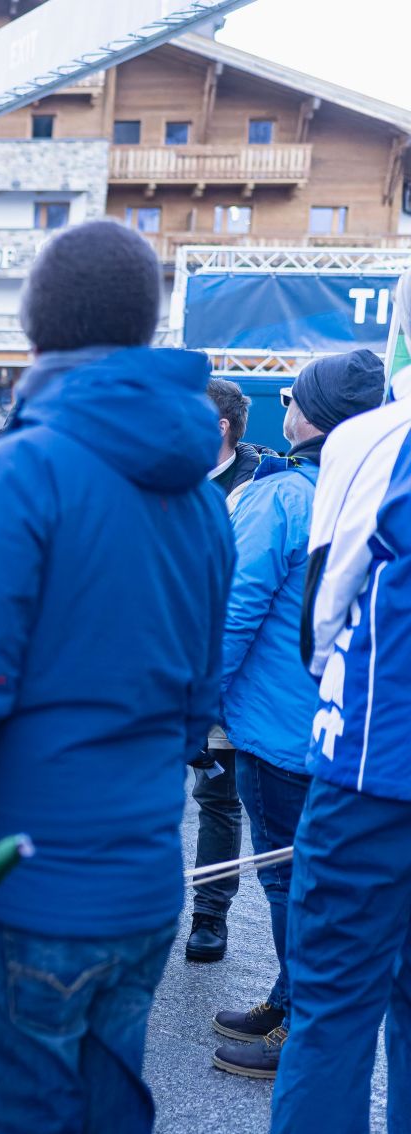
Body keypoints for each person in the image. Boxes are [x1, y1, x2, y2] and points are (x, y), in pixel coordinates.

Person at [0, 220, 233, 1134]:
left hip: (19, 894)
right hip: (141, 881)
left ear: (35, 323)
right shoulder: (200, 494)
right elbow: (200, 701)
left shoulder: (17, 471)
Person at [206, 348, 383, 1080]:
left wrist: (195, 707)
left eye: (291, 397)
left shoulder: (280, 496)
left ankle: (298, 1026)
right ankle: (289, 1000)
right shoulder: (376, 484)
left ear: (307, 413)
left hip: (278, 726)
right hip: (339, 722)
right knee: (309, 875)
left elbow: (232, 611)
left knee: (289, 881)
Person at [273, 352, 409, 1134]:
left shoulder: (375, 437)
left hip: (374, 763)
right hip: (375, 757)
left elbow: (323, 613)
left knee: (333, 1004)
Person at [187, 376, 265, 965]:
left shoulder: (259, 487)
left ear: (219, 427)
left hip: (225, 669)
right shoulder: (163, 481)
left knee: (218, 797)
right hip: (155, 668)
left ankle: (209, 916)